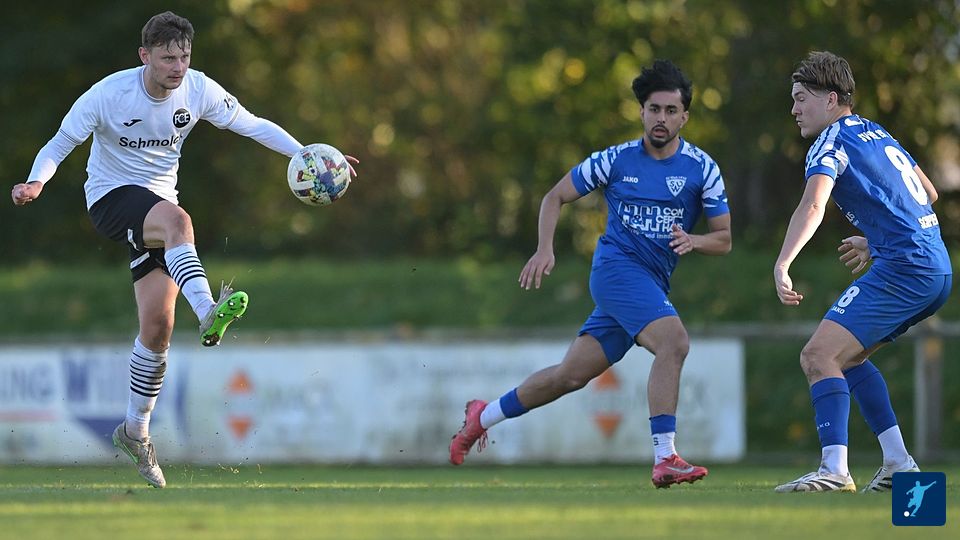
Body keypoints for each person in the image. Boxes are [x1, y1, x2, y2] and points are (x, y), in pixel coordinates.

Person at [10, 11, 358, 488]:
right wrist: (36, 181)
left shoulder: (198, 89)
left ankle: (135, 431)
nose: (178, 67)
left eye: (185, 57)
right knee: (180, 222)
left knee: (157, 329)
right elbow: (60, 142)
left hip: (157, 205)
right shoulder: (108, 94)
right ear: (145, 56)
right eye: (168, 58)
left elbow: (252, 124)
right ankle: (208, 309)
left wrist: (307, 156)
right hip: (111, 199)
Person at [448, 60, 731, 488]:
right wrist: (545, 247)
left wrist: (695, 240)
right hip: (616, 271)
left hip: (650, 284)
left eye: (671, 111)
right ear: (641, 111)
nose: (661, 118)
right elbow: (555, 196)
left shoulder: (702, 168)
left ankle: (482, 417)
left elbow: (724, 239)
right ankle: (665, 457)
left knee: (570, 376)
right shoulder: (615, 160)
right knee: (674, 342)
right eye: (654, 109)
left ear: (684, 117)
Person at [773, 51, 951, 493]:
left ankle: (834, 471)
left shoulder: (831, 142)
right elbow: (927, 193)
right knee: (847, 358)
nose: (794, 109)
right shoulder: (876, 132)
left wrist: (783, 262)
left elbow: (813, 205)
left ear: (831, 99)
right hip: (934, 266)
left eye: (801, 98)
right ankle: (899, 465)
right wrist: (877, 241)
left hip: (906, 267)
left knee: (817, 356)